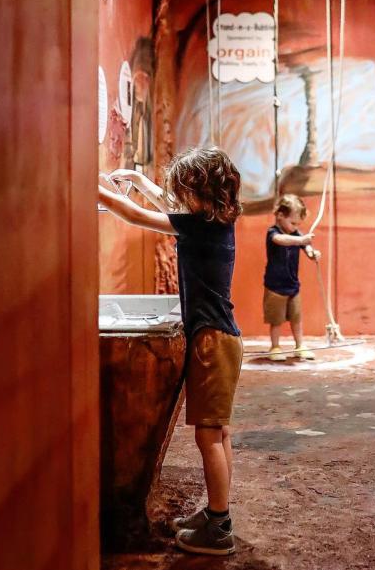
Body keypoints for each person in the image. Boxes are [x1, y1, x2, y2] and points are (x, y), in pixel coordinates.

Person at [99, 147, 243, 556]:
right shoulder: (213, 221)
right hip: (222, 339)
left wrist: (92, 185)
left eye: (184, 189)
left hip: (212, 342)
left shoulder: (197, 226)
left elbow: (135, 215)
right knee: (219, 433)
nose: (177, 196)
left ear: (201, 192)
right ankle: (218, 514)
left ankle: (219, 529)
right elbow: (166, 206)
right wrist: (140, 181)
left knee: (208, 437)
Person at [263, 194, 320, 362]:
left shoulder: (296, 234)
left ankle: (299, 345)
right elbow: (281, 240)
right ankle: (275, 346)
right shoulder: (273, 232)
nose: (295, 227)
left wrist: (312, 253)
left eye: (298, 224)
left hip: (293, 285)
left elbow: (306, 247)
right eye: (293, 222)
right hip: (275, 286)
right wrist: (301, 239)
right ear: (280, 216)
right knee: (276, 320)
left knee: (296, 318)